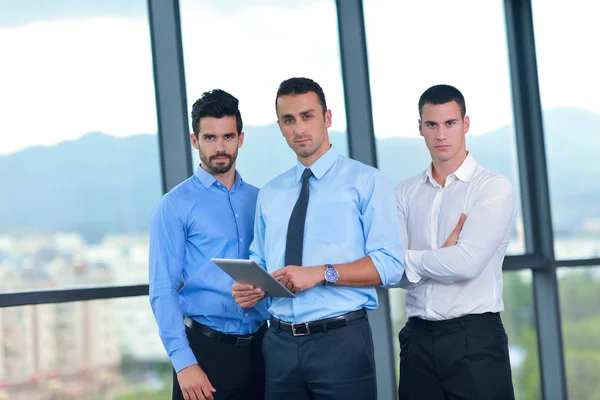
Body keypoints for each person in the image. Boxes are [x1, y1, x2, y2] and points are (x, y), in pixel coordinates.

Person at [232, 77, 405, 400]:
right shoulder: (270, 193)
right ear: (280, 127)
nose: (299, 128)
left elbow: (391, 265)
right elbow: (260, 260)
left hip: (340, 342)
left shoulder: (367, 182)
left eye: (307, 116)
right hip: (280, 344)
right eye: (289, 120)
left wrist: (321, 273)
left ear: (327, 118)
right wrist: (250, 287)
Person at [395, 84, 516, 400]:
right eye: (431, 125)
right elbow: (391, 270)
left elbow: (467, 264)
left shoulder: (492, 188)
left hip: (474, 339)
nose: (441, 135)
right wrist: (437, 258)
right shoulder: (404, 193)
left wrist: (413, 260)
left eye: (450, 123)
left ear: (466, 124)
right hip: (417, 339)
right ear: (419, 128)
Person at [149, 89, 269, 400]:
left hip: (263, 351)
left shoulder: (261, 200)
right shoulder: (174, 205)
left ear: (240, 138)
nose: (220, 147)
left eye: (228, 136)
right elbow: (162, 290)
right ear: (194, 140)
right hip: (204, 354)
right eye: (210, 138)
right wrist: (183, 362)